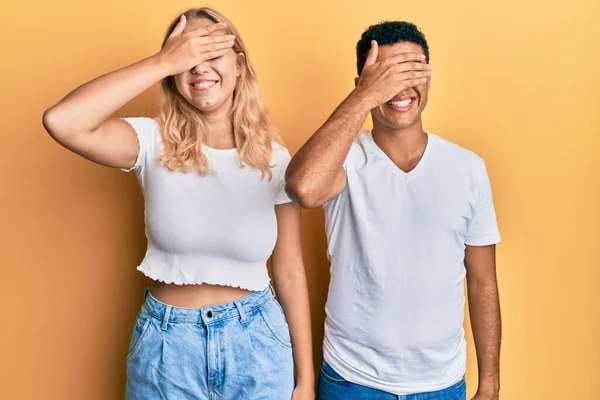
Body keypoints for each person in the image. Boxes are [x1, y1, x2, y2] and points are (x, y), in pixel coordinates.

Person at [43, 7, 314, 400]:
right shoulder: (150, 141)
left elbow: (289, 272)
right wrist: (162, 61)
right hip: (167, 347)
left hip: (259, 343)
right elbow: (62, 121)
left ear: (239, 65)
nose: (198, 67)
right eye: (187, 56)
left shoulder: (275, 159)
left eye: (211, 53)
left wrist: (304, 380)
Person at [285, 21, 501, 400]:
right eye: (385, 76)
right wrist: (365, 97)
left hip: (441, 384)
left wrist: (490, 384)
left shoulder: (467, 168)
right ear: (362, 85)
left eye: (411, 71)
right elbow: (304, 188)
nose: (399, 87)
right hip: (350, 379)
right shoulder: (343, 161)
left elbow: (483, 282)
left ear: (429, 78)